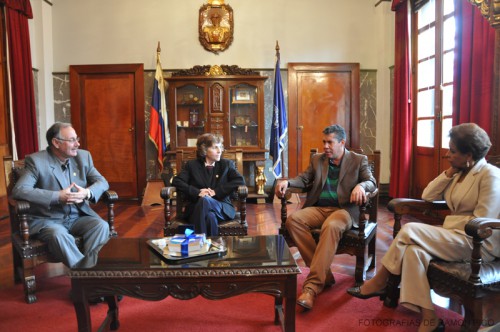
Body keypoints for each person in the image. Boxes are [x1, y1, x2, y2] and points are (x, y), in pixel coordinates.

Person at [347, 123, 500, 332]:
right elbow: (428, 196)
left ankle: (380, 281)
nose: (447, 154)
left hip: (478, 244)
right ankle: (430, 319)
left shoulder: (490, 176)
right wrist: (448, 173)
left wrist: (449, 223)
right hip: (457, 235)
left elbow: (482, 222)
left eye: (453, 151)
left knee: (409, 230)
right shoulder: (459, 171)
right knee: (413, 252)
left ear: (469, 155)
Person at [275, 124, 376, 310]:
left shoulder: (358, 160)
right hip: (319, 208)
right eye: (324, 142)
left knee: (331, 226)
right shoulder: (317, 160)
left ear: (342, 143)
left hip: (344, 210)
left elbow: (371, 181)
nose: (326, 146)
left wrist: (361, 186)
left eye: (330, 142)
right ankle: (325, 275)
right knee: (293, 221)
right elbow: (304, 180)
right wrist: (287, 181)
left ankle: (311, 288)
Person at [12, 122, 111, 269]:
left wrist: (87, 193)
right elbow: (20, 190)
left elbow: (102, 181)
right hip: (49, 220)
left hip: (78, 217)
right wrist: (57, 196)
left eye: (77, 139)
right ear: (56, 143)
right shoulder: (37, 161)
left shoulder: (83, 157)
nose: (77, 143)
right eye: (72, 140)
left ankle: (89, 274)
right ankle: (87, 277)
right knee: (59, 235)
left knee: (101, 226)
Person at [172, 133, 245, 236]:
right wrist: (197, 192)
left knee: (205, 201)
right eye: (215, 148)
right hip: (196, 208)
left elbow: (240, 180)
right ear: (204, 150)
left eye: (220, 147)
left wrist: (216, 192)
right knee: (210, 217)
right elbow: (177, 181)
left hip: (222, 207)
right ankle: (214, 246)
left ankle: (199, 245)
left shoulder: (226, 164)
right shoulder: (192, 165)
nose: (220, 151)